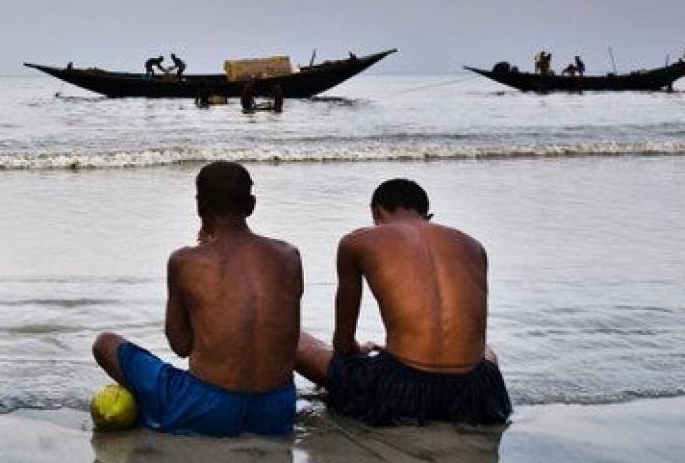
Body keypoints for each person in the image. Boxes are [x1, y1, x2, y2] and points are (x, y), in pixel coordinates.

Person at [92, 162, 301, 436]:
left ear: (200, 208)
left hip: (209, 408)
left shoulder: (185, 261)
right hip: (277, 411)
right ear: (250, 205)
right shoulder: (289, 255)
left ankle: (159, 412)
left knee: (105, 343)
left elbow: (180, 345)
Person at [295, 178, 510, 426]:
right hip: (478, 395)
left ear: (376, 211)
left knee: (288, 335)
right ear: (427, 216)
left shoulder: (357, 241)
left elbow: (343, 343)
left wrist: (357, 351)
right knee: (487, 351)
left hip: (401, 392)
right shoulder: (473, 245)